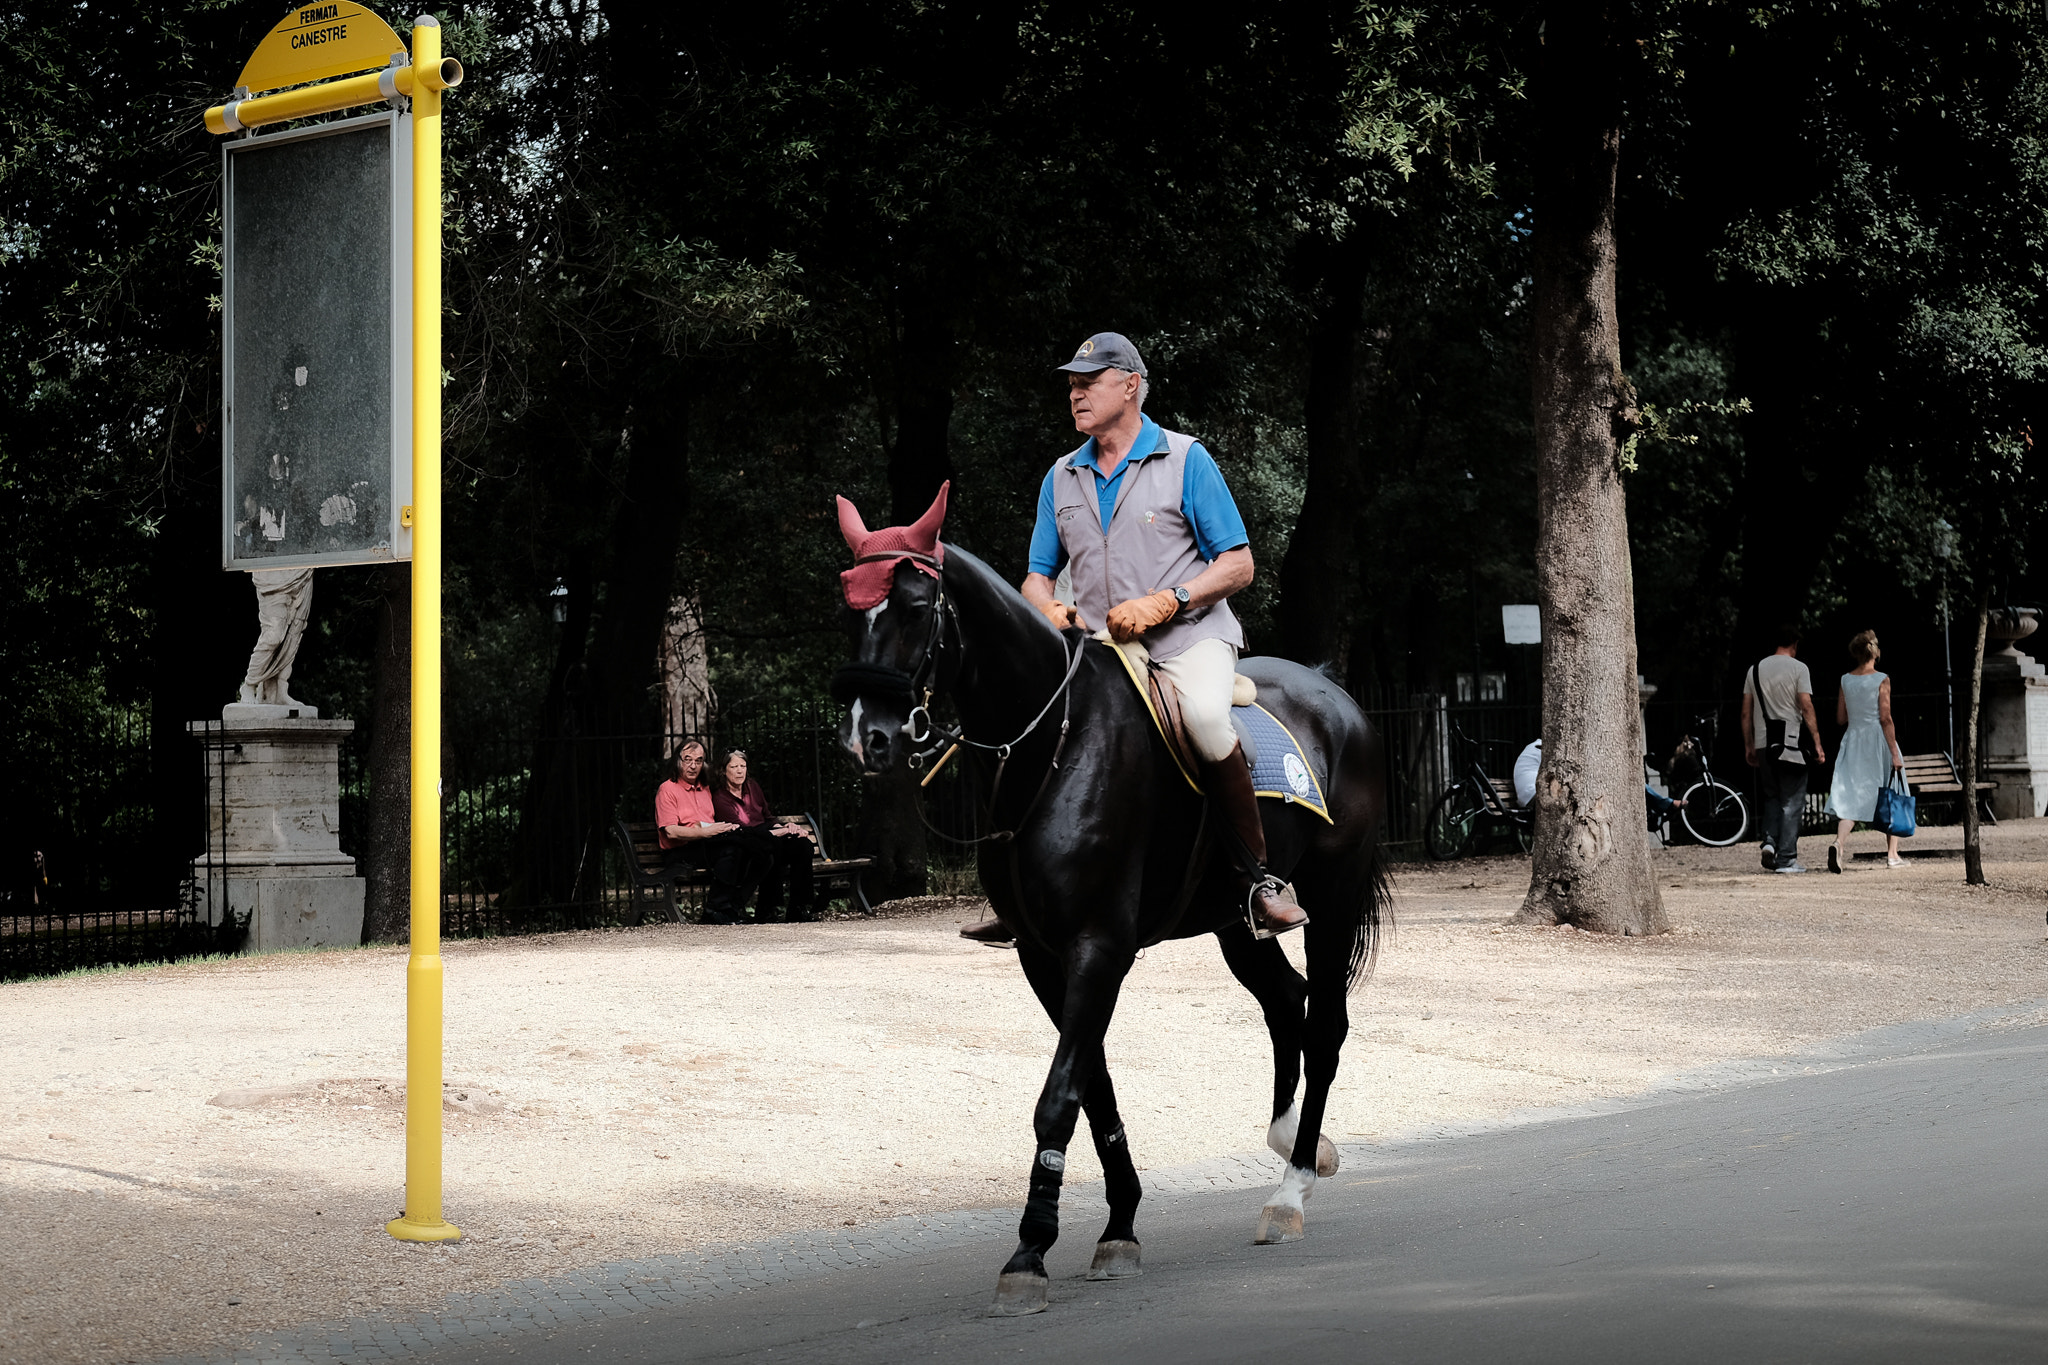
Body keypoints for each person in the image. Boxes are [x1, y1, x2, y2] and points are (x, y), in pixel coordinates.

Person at [958, 331, 1307, 947]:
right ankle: (1019, 891)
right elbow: (1036, 576)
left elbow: (1238, 563)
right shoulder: (1061, 475)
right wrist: (1047, 610)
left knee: (1204, 718)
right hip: (1098, 648)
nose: (1076, 394)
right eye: (1071, 385)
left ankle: (1260, 881)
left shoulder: (1185, 458)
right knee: (1030, 726)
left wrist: (1165, 601)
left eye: (1089, 382)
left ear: (1130, 386)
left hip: (1188, 638)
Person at [1741, 624, 1826, 874]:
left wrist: (1749, 745)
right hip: (1789, 743)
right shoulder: (1800, 669)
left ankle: (1769, 841)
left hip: (1763, 744)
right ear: (1795, 644)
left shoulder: (1754, 670)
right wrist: (1818, 743)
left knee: (1772, 796)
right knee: (1792, 799)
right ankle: (1786, 857)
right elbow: (1806, 706)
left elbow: (1746, 712)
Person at [1825, 629, 1907, 872]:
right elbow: (1885, 717)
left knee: (1850, 794)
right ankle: (1892, 855)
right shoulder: (1882, 678)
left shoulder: (1845, 680)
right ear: (1876, 652)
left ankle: (1839, 844)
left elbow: (1841, 718)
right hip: (1877, 740)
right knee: (1892, 791)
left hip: (1853, 739)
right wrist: (1894, 751)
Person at [709, 749, 819, 923]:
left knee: (803, 845)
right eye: (734, 766)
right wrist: (779, 832)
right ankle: (767, 909)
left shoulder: (752, 786)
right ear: (723, 770)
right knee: (771, 846)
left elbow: (767, 816)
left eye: (743, 766)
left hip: (768, 835)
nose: (739, 771)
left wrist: (787, 827)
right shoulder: (720, 798)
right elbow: (743, 832)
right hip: (749, 843)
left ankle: (798, 908)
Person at [655, 740, 751, 924]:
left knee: (744, 846)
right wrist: (706, 832)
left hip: (705, 844)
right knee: (730, 851)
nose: (693, 766)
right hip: (679, 852)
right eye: (687, 760)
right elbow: (671, 832)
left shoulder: (704, 788)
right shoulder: (667, 789)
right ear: (678, 761)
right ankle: (715, 909)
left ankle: (728, 908)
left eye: (698, 761)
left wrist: (722, 829)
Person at [1514, 736, 1681, 833]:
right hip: (1535, 799)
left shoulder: (1538, 747)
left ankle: (1658, 806)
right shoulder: (1544, 747)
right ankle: (1660, 805)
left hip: (1534, 795)